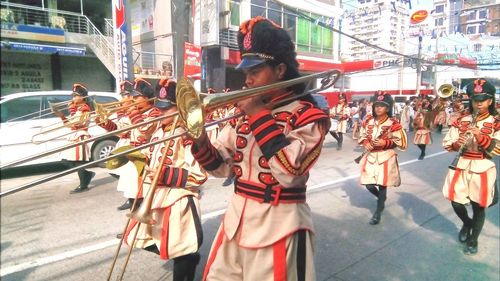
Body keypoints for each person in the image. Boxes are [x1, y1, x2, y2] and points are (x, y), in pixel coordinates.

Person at [189, 17, 330, 280]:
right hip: (235, 224)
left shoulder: (307, 116)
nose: (248, 81)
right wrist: (199, 140)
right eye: (246, 73)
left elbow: (290, 173)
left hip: (280, 229)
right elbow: (221, 168)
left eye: (255, 72)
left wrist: (257, 115)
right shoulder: (244, 114)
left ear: (279, 70)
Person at [124, 79, 207, 281]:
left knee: (179, 248)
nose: (160, 113)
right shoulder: (159, 131)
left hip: (178, 199)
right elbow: (149, 156)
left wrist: (166, 175)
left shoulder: (188, 134)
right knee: (138, 238)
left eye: (165, 109)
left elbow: (199, 175)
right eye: (159, 108)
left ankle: (187, 261)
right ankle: (189, 258)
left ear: (179, 108)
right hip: (157, 196)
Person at [442, 78, 499, 255]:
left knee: (478, 206)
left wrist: (480, 136)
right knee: (456, 202)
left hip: (482, 166)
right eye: (475, 100)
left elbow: (497, 148)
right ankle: (467, 223)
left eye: (482, 100)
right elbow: (447, 143)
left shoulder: (496, 122)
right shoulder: (461, 120)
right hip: (461, 164)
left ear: (490, 101)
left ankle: (473, 240)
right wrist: (457, 144)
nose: (478, 104)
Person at [99, 78, 161, 211]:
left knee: (143, 194)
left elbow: (145, 130)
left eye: (136, 97)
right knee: (134, 192)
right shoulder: (138, 113)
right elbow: (121, 129)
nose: (132, 100)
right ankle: (135, 226)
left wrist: (133, 112)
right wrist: (104, 123)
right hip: (134, 154)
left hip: (145, 156)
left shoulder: (154, 112)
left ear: (146, 98)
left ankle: (140, 225)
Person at [358, 91, 408, 225]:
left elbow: (401, 142)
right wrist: (365, 142)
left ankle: (378, 212)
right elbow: (362, 135)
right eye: (376, 105)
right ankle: (381, 198)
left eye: (382, 105)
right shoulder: (368, 121)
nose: (378, 108)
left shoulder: (394, 123)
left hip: (386, 157)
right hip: (371, 156)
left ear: (388, 108)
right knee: (368, 184)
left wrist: (384, 143)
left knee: (382, 185)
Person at [97, 80, 136, 209]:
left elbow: (128, 128)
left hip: (133, 143)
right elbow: (117, 128)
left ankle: (134, 199)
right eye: (123, 95)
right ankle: (133, 198)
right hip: (123, 142)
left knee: (129, 173)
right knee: (115, 169)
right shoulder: (123, 111)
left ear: (132, 96)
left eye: (126, 95)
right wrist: (104, 122)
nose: (123, 98)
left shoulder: (136, 110)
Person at [57, 83, 95, 194]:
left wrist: (66, 114)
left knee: (78, 161)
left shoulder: (85, 109)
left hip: (80, 135)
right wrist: (63, 116)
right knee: (65, 159)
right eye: (73, 96)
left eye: (75, 96)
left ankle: (83, 184)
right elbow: (70, 125)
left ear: (82, 97)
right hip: (74, 135)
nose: (73, 98)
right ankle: (87, 175)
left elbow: (79, 124)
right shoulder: (78, 108)